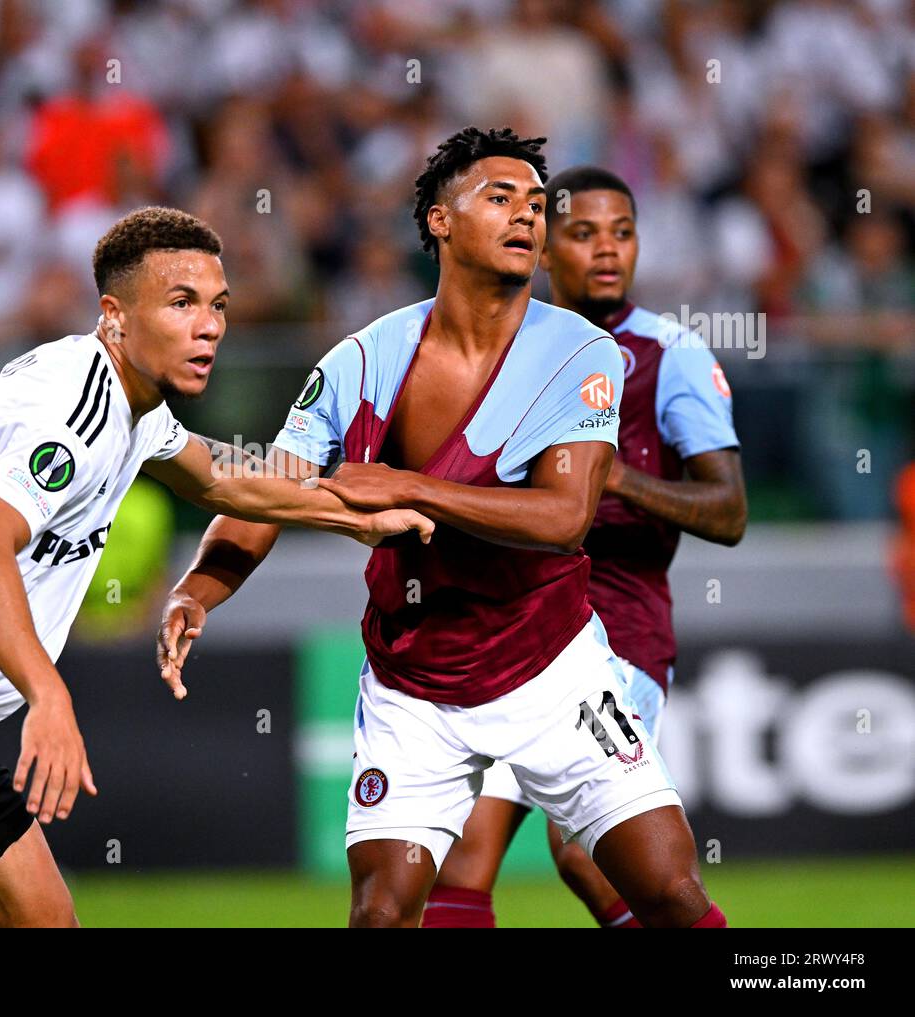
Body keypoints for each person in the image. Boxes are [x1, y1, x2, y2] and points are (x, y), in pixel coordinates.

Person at [0, 207, 434, 928]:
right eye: (181, 303)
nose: (210, 325)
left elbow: (222, 477)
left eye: (218, 305)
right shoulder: (77, 409)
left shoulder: (136, 405)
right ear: (115, 317)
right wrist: (48, 695)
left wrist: (352, 515)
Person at [158, 129, 728, 928]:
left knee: (669, 893)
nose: (527, 217)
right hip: (412, 682)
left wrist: (410, 486)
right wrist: (199, 589)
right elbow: (269, 489)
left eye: (536, 204)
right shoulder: (363, 358)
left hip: (553, 669)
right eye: (501, 199)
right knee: (383, 912)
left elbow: (565, 520)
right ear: (439, 220)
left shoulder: (583, 353)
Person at [423, 165, 746, 928]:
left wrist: (619, 479)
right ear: (541, 247)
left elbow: (729, 511)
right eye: (583, 232)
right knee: (460, 859)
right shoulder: (502, 347)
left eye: (623, 232)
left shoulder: (673, 356)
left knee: (586, 852)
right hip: (511, 628)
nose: (607, 249)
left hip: (617, 634)